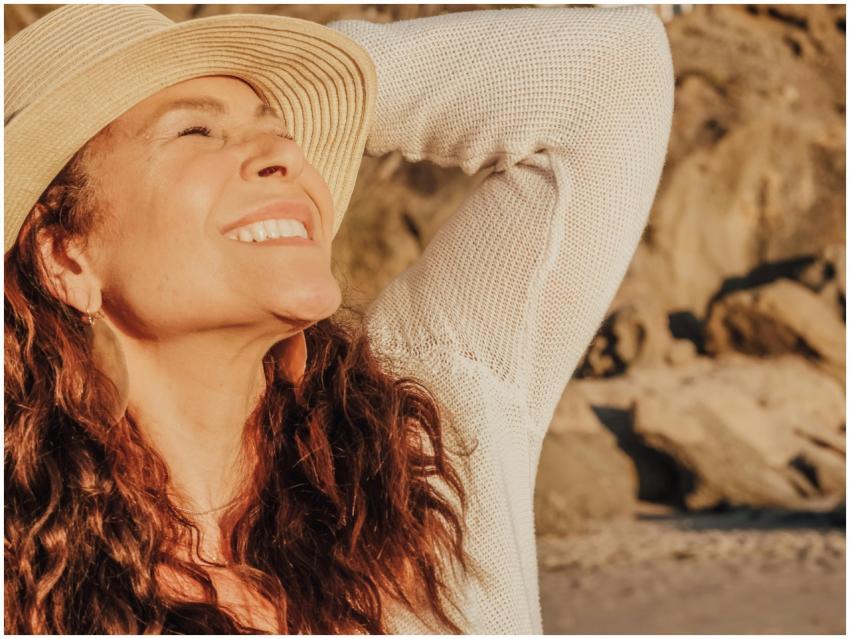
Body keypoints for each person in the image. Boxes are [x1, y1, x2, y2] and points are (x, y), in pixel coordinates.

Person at [4, 3, 675, 635]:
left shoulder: (423, 436)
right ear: (65, 252)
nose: (287, 155)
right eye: (195, 130)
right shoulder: (25, 578)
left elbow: (610, 75)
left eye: (282, 132)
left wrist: (317, 74)